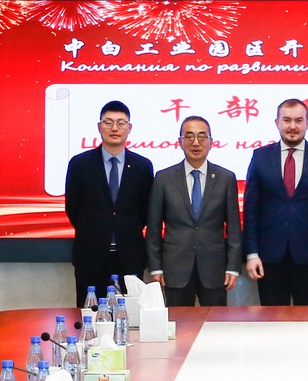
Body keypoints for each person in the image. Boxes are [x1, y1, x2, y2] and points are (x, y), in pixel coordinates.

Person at [243, 99, 308, 305]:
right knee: (272, 320)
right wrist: (251, 254)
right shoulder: (260, 157)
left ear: (307, 123)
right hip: (269, 258)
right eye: (287, 120)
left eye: (299, 120)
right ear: (277, 122)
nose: (293, 126)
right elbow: (251, 210)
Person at [64, 101, 154, 307]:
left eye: (121, 123)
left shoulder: (142, 166)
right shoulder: (80, 164)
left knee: (129, 316)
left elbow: (145, 210)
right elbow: (73, 208)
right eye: (108, 122)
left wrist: (123, 228)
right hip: (90, 255)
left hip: (129, 256)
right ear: (99, 126)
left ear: (129, 128)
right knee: (90, 314)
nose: (114, 128)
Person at [145, 116, 242, 306]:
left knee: (215, 322)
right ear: (180, 142)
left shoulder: (225, 178)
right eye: (189, 137)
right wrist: (156, 268)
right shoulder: (163, 178)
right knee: (178, 323)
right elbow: (153, 227)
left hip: (214, 269)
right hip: (175, 268)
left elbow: (234, 228)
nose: (195, 142)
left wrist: (233, 267)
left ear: (211, 142)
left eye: (202, 136)